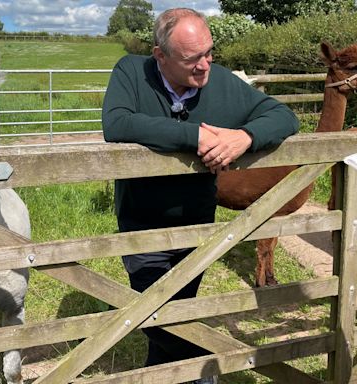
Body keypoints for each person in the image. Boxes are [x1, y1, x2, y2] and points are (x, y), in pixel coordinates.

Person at [102, 7, 299, 384]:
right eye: (192, 58)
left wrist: (245, 137)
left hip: (197, 224)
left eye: (209, 53)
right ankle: (203, 372)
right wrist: (196, 136)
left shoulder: (220, 80)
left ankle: (163, 375)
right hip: (143, 224)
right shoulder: (131, 71)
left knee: (177, 312)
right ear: (160, 55)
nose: (204, 66)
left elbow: (282, 116)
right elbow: (117, 123)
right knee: (157, 315)